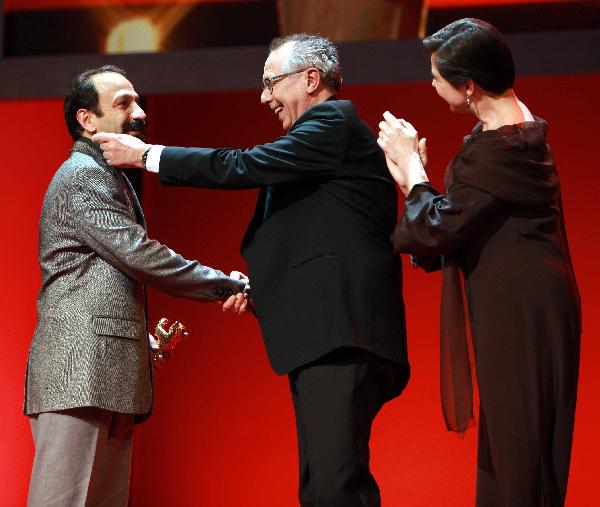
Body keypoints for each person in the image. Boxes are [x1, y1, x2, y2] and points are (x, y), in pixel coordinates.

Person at [93, 34, 409, 506]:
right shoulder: (319, 142)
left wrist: (145, 155)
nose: (264, 97)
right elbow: (318, 237)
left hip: (343, 333)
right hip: (328, 334)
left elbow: (242, 166)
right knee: (322, 486)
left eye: (270, 83)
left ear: (310, 79)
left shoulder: (331, 123)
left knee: (337, 486)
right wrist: (264, 290)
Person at [378, 18, 581, 507]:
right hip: (533, 304)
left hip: (520, 312)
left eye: (437, 77)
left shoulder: (498, 149)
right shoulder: (515, 130)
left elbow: (437, 229)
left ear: (468, 85)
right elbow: (458, 221)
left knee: (519, 439)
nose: (431, 84)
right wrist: (417, 186)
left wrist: (412, 170)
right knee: (520, 436)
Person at [24, 65, 249, 507]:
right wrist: (223, 284)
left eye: (138, 101)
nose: (139, 113)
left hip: (107, 371)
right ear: (87, 121)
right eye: (124, 104)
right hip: (79, 370)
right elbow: (141, 255)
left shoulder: (109, 178)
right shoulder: (82, 177)